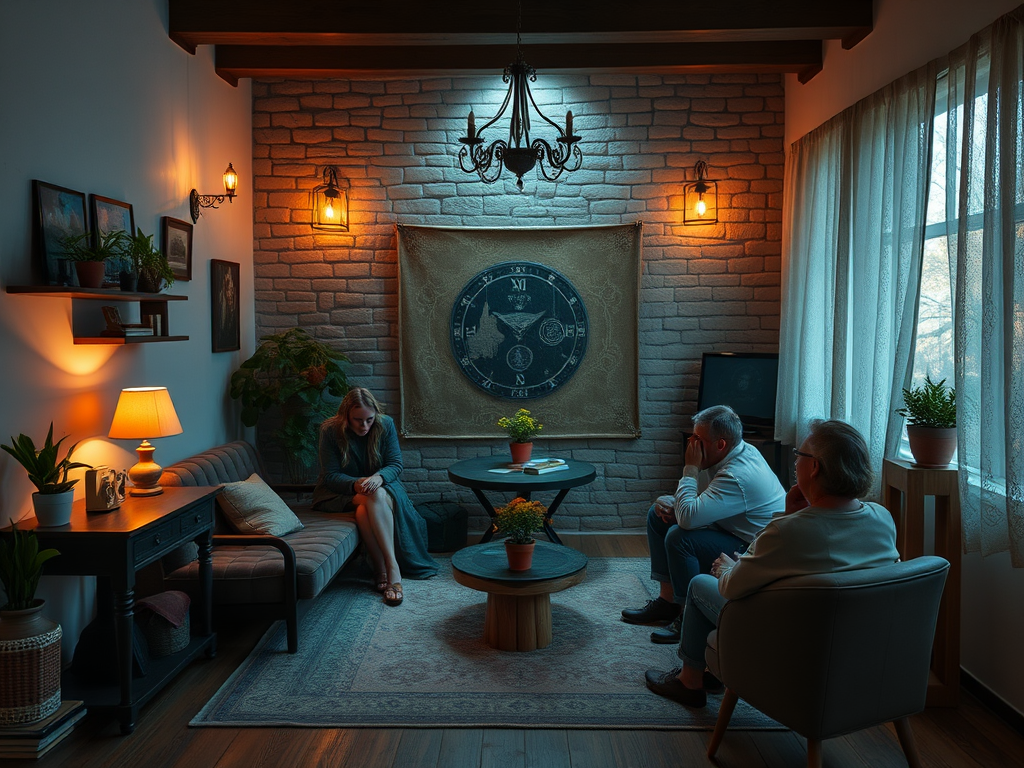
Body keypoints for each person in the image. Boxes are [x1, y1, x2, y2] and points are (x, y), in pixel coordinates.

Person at [644, 419, 900, 708]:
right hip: (857, 645)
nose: (795, 462)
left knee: (700, 584)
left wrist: (725, 568)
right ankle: (708, 670)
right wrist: (789, 514)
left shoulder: (788, 531)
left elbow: (731, 587)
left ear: (814, 467)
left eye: (799, 455)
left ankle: (690, 682)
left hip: (792, 640)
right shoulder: (882, 517)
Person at [621, 405, 785, 643]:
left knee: (679, 537)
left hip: (750, 549)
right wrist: (670, 502)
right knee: (658, 516)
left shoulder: (737, 475)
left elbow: (688, 519)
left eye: (698, 438)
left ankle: (689, 618)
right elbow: (701, 499)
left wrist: (690, 468)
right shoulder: (729, 453)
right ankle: (668, 604)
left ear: (720, 444)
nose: (692, 444)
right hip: (727, 528)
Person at [312, 388, 438, 605]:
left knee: (368, 505)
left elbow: (395, 464)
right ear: (345, 417)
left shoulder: (385, 424)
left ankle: (382, 569)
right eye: (358, 420)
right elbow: (330, 475)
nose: (364, 426)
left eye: (369, 420)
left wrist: (379, 478)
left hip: (380, 486)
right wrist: (356, 483)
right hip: (340, 492)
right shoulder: (330, 430)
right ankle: (392, 569)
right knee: (372, 498)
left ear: (375, 415)